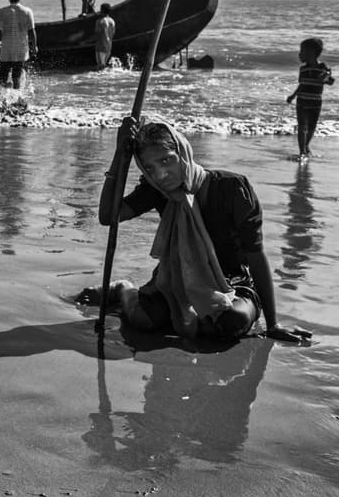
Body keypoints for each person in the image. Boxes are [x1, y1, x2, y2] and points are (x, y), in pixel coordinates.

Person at [88, 117, 312, 344]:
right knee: (143, 321)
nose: (160, 175)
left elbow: (255, 255)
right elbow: (109, 217)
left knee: (231, 322)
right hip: (178, 279)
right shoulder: (155, 190)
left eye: (166, 160)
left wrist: (273, 325)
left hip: (233, 283)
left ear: (183, 152)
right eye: (149, 168)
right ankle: (124, 290)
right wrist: (119, 155)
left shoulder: (233, 188)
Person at [285, 37, 335, 159]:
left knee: (311, 126)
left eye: (302, 51)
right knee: (302, 126)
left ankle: (306, 146)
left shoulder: (323, 67)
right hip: (302, 100)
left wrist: (326, 76)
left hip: (316, 101)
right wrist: (293, 95)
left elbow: (330, 82)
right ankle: (302, 151)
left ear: (311, 52)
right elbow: (301, 84)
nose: (299, 54)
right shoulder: (303, 69)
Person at [0, 0, 37, 90]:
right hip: (21, 49)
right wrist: (34, 47)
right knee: (16, 76)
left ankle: (6, 93)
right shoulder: (27, 11)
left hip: (6, 49)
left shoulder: (3, 11)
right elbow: (32, 32)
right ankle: (17, 97)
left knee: (2, 78)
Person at [93, 3, 116, 69]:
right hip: (109, 45)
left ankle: (100, 79)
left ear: (102, 11)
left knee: (100, 65)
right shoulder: (112, 21)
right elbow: (113, 33)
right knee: (104, 64)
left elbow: (97, 33)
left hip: (101, 45)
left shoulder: (99, 21)